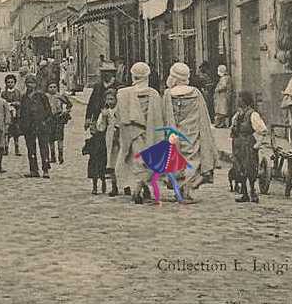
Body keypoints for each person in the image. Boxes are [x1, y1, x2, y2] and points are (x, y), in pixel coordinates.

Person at [114, 62, 171, 203]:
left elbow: (118, 115)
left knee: (136, 160)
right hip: (150, 132)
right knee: (147, 161)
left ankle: (138, 187)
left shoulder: (123, 94)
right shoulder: (153, 94)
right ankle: (141, 187)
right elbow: (160, 116)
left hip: (132, 132)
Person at [162, 62, 219, 202]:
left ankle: (179, 189)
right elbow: (202, 115)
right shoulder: (195, 93)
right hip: (191, 130)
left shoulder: (168, 94)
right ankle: (187, 188)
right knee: (192, 159)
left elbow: (164, 115)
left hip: (173, 129)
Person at [230, 91, 267, 204]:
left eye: (240, 98)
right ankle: (244, 193)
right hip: (238, 145)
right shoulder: (237, 115)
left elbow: (263, 130)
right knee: (239, 169)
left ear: (245, 100)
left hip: (248, 144)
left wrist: (258, 144)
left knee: (249, 168)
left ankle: (253, 192)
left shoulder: (253, 114)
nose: (238, 100)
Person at [19, 77, 52, 179]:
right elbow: (22, 112)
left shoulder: (41, 96)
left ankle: (45, 169)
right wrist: (22, 125)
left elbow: (48, 111)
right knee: (31, 148)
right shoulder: (24, 97)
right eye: (28, 83)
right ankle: (33, 170)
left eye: (32, 83)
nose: (30, 85)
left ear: (35, 84)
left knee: (44, 148)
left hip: (41, 125)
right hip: (29, 127)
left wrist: (45, 122)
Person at [85, 89, 115, 195]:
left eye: (112, 99)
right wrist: (103, 118)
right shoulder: (103, 111)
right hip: (101, 140)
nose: (109, 101)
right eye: (108, 99)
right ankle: (95, 185)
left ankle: (110, 184)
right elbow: (99, 127)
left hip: (114, 139)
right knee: (96, 162)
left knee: (109, 163)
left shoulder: (118, 110)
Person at [46, 82, 71, 165]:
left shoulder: (60, 96)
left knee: (60, 138)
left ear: (57, 88)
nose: (52, 89)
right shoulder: (46, 97)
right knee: (50, 138)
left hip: (59, 118)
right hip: (49, 119)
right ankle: (52, 156)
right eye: (50, 87)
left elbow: (69, 104)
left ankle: (61, 156)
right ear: (47, 88)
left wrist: (65, 112)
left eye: (54, 87)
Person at [2, 75, 22, 155]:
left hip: (15, 115)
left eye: (12, 82)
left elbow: (21, 102)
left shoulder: (18, 92)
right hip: (7, 115)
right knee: (6, 132)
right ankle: (6, 148)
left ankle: (17, 148)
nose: (10, 84)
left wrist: (17, 103)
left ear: (15, 83)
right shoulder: (4, 93)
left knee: (16, 132)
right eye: (8, 82)